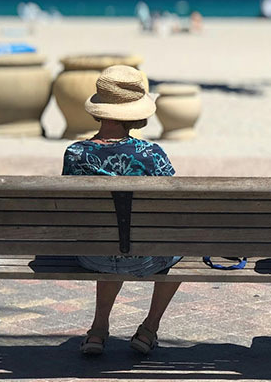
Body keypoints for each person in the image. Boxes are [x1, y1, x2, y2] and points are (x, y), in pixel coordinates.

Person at [62, 65, 181, 356]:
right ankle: (150, 328)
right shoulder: (152, 155)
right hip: (144, 259)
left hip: (92, 255)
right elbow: (172, 204)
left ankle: (98, 330)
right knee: (182, 244)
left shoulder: (75, 154)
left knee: (109, 234)